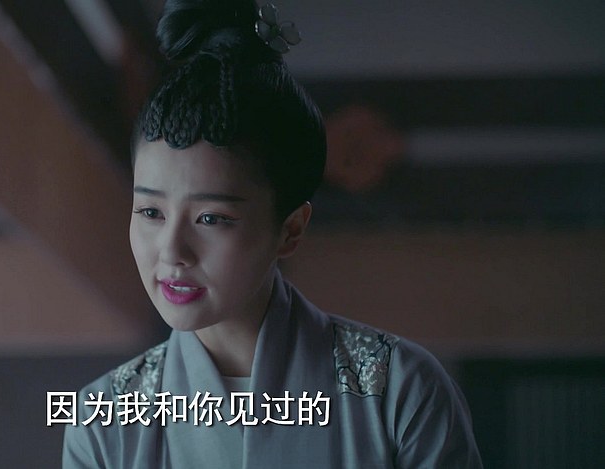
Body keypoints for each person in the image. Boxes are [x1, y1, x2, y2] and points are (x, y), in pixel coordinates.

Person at [63, 1, 482, 467]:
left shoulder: (401, 392)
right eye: (150, 212)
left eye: (211, 218)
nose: (172, 251)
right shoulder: (103, 425)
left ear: (290, 229)